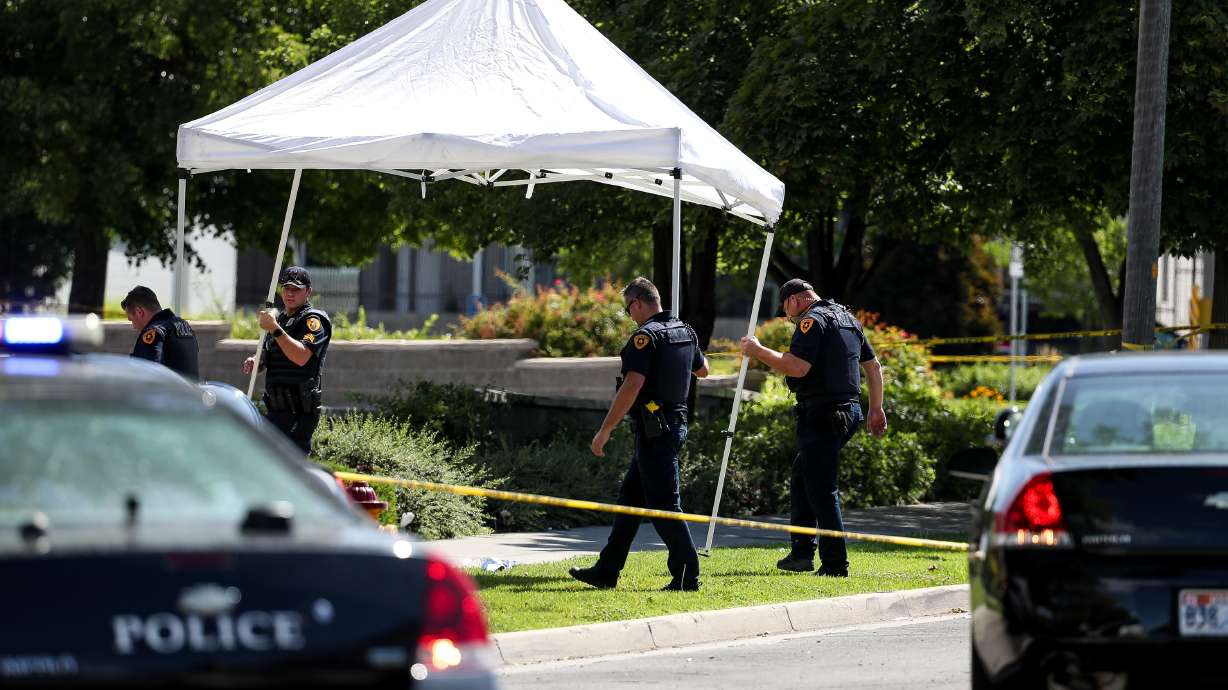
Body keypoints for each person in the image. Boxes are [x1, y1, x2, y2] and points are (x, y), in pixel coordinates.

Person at [739, 279, 887, 577]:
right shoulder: (848, 319)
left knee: (821, 487)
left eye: (787, 312)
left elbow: (797, 367)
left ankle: (834, 564)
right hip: (850, 412)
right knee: (802, 474)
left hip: (823, 414)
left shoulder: (811, 320)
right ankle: (801, 553)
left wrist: (758, 351)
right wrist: (875, 408)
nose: (790, 318)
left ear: (794, 300)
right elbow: (873, 367)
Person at [570, 277, 708, 592]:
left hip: (656, 429)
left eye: (628, 308)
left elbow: (632, 387)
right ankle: (607, 569)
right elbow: (703, 370)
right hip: (673, 424)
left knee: (663, 505)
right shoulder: (685, 331)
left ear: (637, 303)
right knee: (630, 501)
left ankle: (688, 574)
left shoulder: (645, 338)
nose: (630, 315)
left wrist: (605, 429)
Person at [242, 266, 332, 454]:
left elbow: (300, 356)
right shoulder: (280, 320)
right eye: (287, 288)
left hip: (298, 413)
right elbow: (268, 357)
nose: (290, 294)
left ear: (308, 291)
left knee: (288, 468)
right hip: (276, 410)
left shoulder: (313, 321)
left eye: (296, 289)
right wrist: (256, 362)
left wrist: (274, 329)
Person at [121, 286, 200, 380]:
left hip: (168, 393)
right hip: (191, 392)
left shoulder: (155, 332)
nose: (134, 326)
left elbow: (147, 375)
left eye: (131, 320)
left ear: (139, 312)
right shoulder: (184, 326)